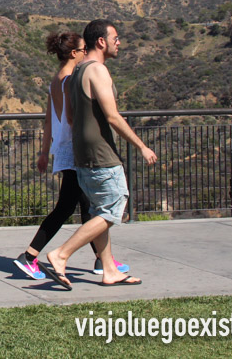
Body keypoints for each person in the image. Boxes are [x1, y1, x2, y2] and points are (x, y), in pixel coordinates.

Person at [42, 20, 158, 289]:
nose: (120, 42)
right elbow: (113, 116)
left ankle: (109, 270)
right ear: (101, 42)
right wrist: (141, 145)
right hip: (102, 154)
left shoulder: (74, 73)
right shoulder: (97, 71)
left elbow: (70, 117)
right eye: (116, 38)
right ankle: (61, 255)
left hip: (81, 155)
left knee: (99, 212)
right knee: (113, 209)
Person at [13, 32, 130, 280]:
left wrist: (45, 151)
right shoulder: (69, 80)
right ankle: (30, 256)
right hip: (74, 149)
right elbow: (70, 118)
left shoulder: (56, 80)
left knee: (89, 207)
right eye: (83, 49)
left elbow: (48, 120)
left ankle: (103, 261)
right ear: (75, 53)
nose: (87, 53)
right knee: (69, 206)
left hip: (64, 149)